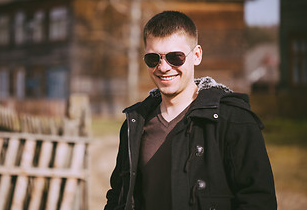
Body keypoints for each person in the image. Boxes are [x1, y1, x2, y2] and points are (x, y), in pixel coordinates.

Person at [104, 11, 277, 210]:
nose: (163, 67)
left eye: (175, 57)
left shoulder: (234, 120)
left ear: (196, 56)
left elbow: (258, 201)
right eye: (153, 58)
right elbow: (119, 196)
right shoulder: (134, 124)